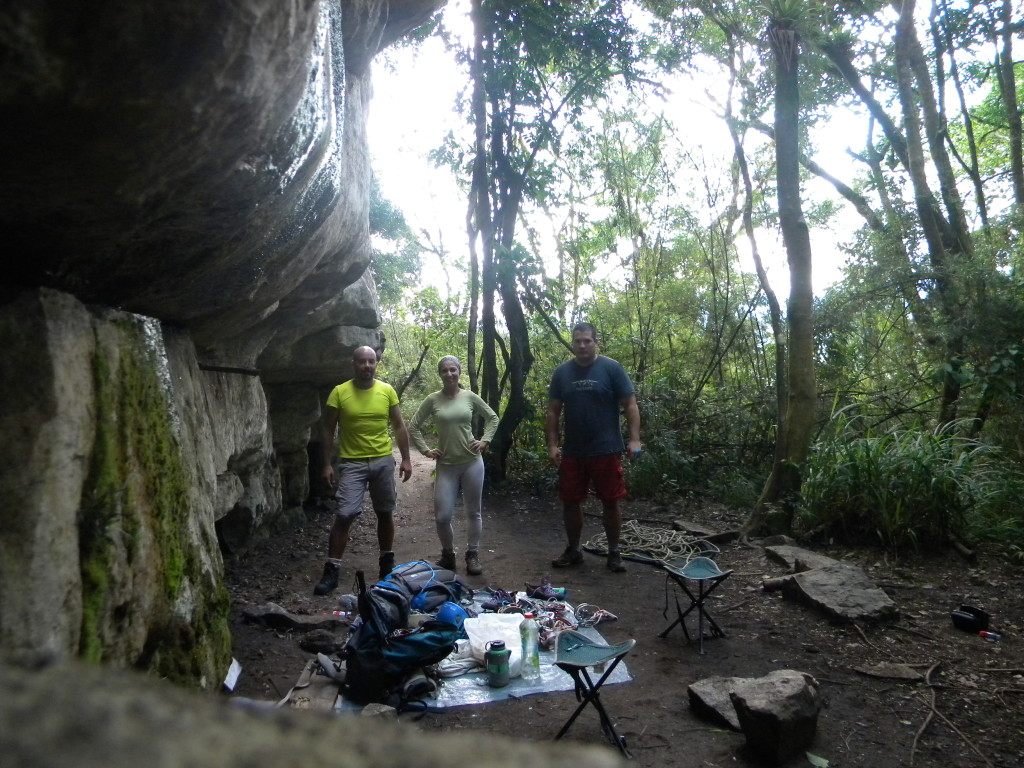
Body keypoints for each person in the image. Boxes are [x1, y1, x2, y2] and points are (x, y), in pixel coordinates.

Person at [313, 345, 412, 595]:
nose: (367, 366)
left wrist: (406, 459)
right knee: (345, 514)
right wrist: (326, 463)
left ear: (376, 363)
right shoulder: (340, 392)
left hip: (381, 460)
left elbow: (399, 426)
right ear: (353, 364)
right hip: (352, 463)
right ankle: (332, 569)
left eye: (371, 361)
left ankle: (386, 564)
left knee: (385, 512)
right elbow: (327, 428)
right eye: (362, 362)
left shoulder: (387, 391)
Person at [546, 321, 641, 573]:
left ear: (595, 342)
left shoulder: (611, 368)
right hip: (574, 451)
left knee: (610, 501)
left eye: (587, 340)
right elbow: (553, 411)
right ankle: (574, 549)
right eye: (578, 341)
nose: (582, 345)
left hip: (606, 448)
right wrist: (553, 445)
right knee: (570, 501)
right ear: (573, 343)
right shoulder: (562, 373)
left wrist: (634, 439)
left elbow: (630, 404)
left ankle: (614, 551)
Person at [408, 355, 500, 576]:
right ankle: (448, 555)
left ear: (459, 372)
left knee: (473, 512)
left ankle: (473, 554)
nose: (449, 374)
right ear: (440, 374)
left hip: (472, 462)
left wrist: (485, 440)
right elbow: (413, 426)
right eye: (444, 371)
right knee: (442, 516)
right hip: (447, 465)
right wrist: (426, 451)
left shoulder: (469, 397)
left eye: (453, 370)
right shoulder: (433, 399)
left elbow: (493, 418)